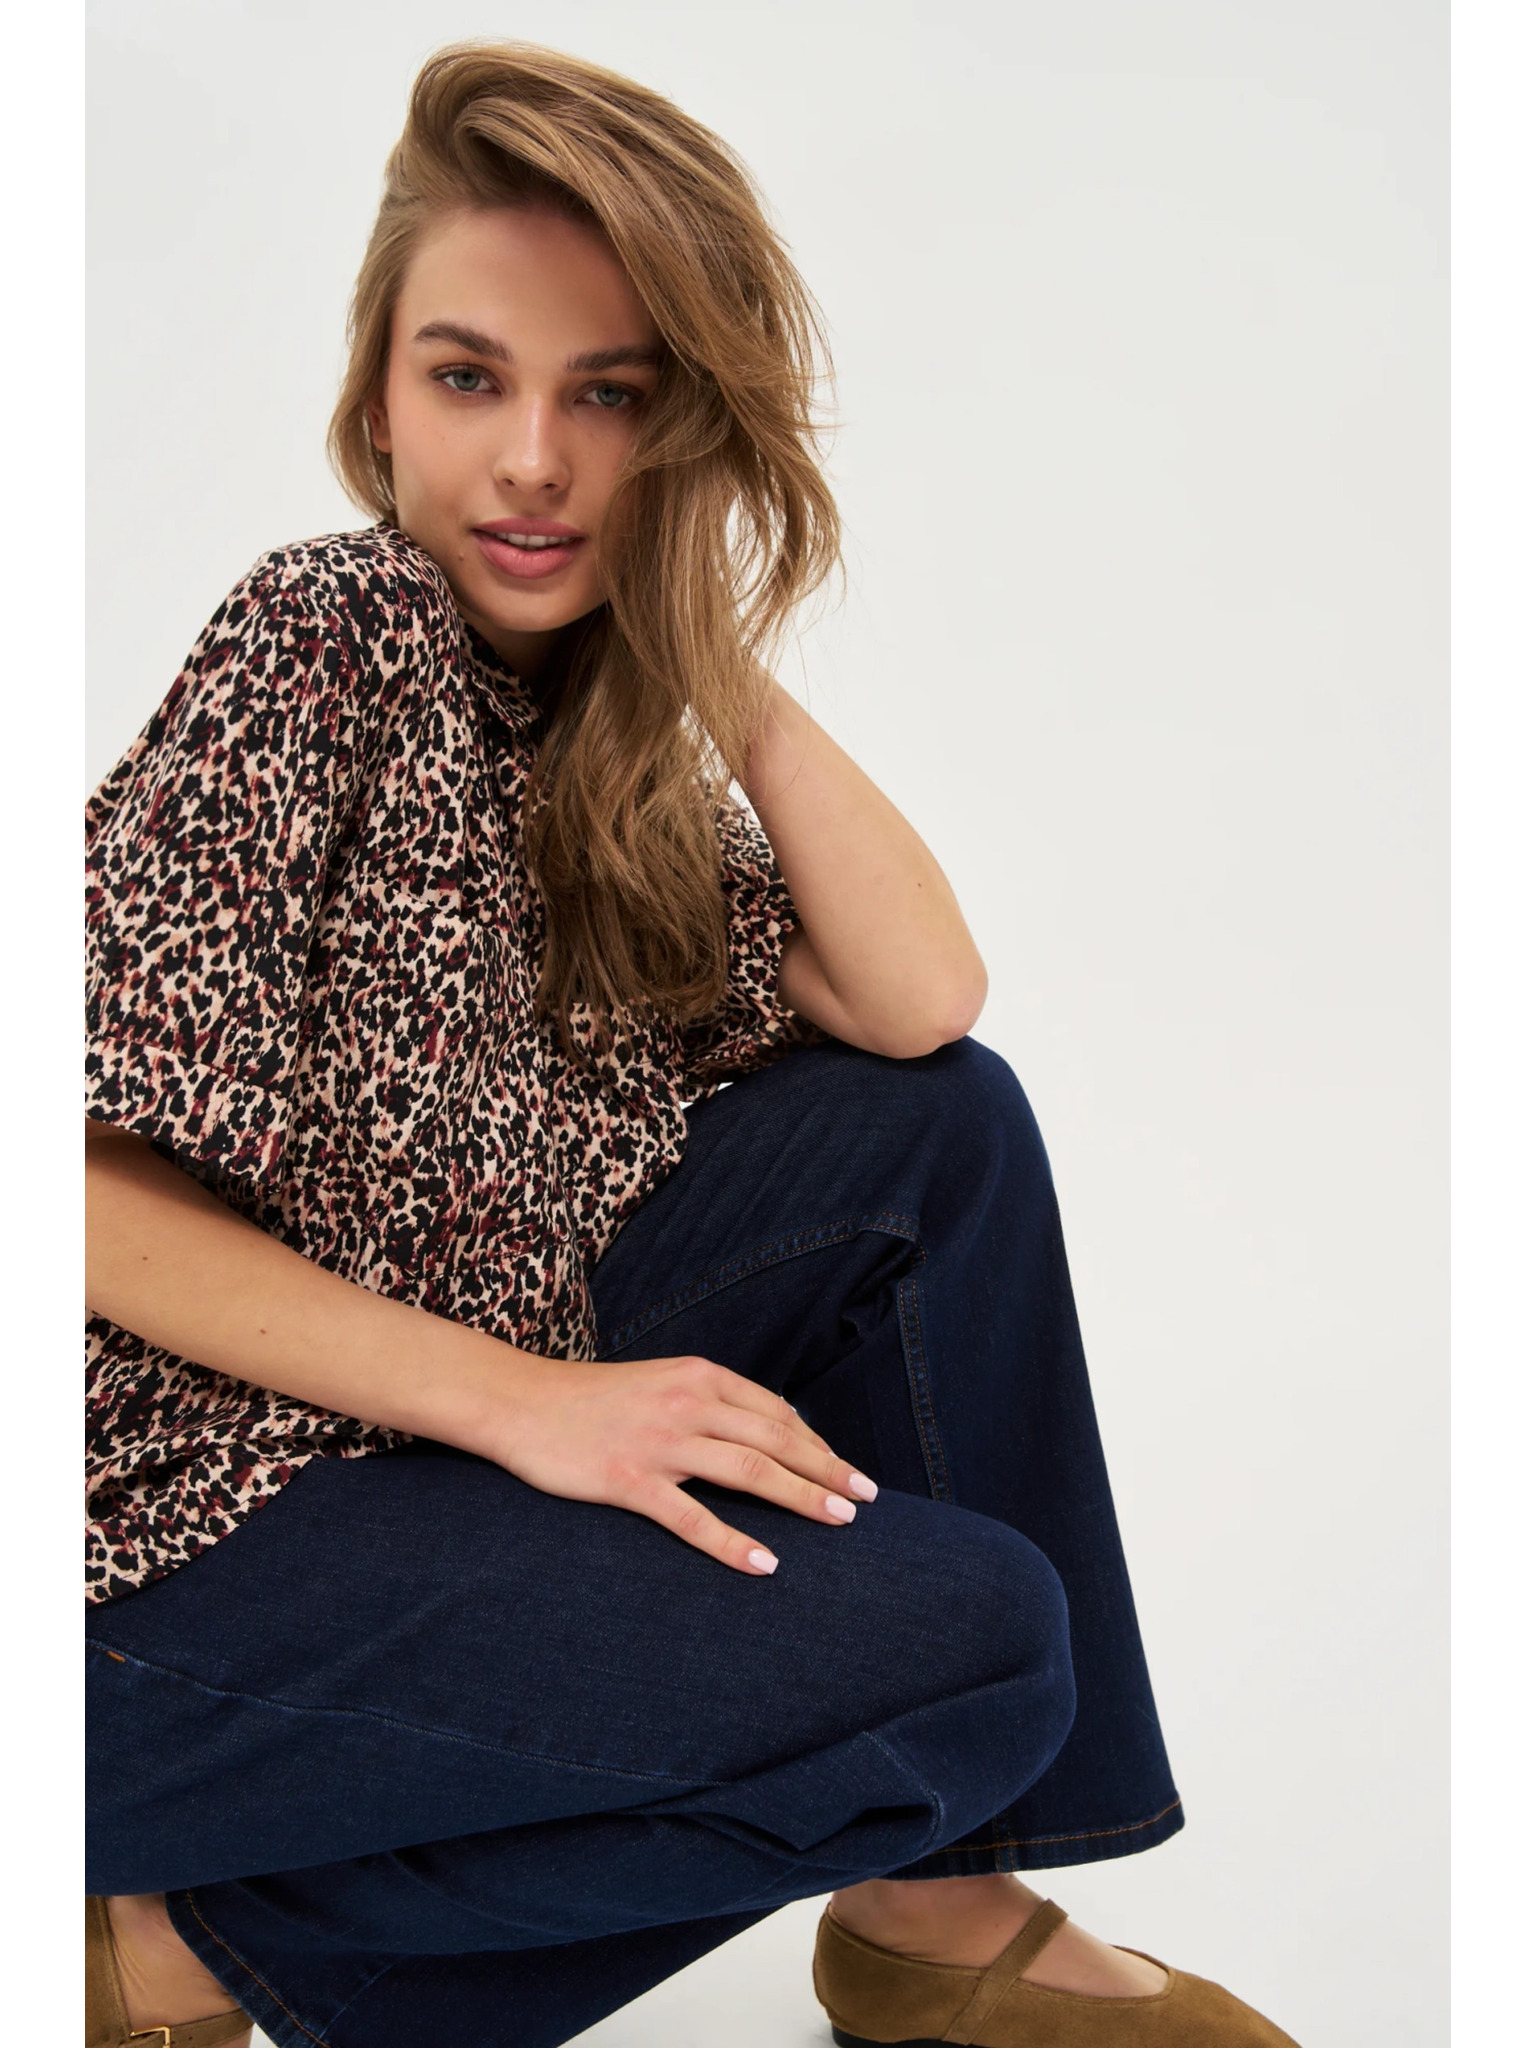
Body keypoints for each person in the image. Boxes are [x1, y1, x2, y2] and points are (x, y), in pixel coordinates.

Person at [84, 39, 1299, 2048]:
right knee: (978, 1655)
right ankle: (179, 1943)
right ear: (376, 406)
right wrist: (530, 1408)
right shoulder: (322, 637)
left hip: (377, 1453)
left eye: (610, 397)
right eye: (467, 379)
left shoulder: (589, 751)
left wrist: (696, 640)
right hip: (146, 1559)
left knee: (938, 1134)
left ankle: (935, 1910)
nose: (533, 461)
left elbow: (919, 1001)